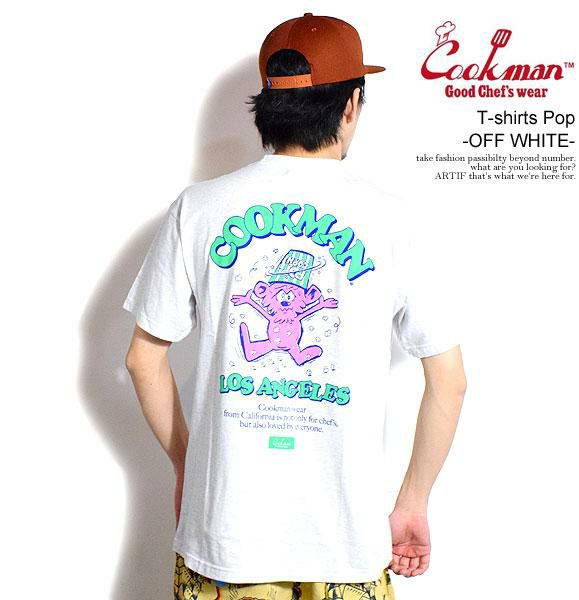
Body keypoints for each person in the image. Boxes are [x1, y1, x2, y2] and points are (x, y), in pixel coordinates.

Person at [122, 12, 467, 600]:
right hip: (348, 547)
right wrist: (412, 502)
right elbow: (450, 381)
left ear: (266, 103)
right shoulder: (395, 220)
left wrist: (190, 465)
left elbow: (141, 359)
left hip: (224, 539)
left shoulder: (198, 208)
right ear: (351, 105)